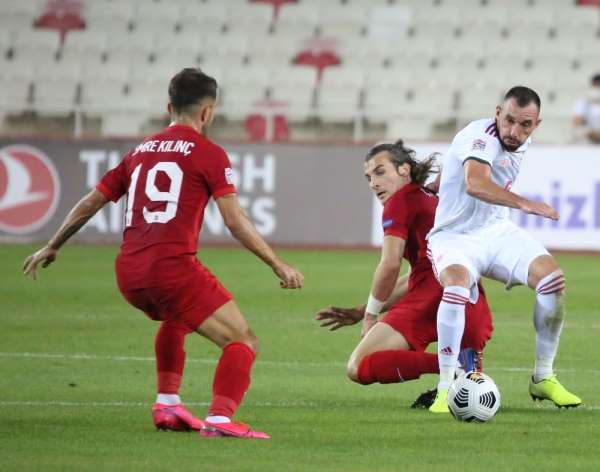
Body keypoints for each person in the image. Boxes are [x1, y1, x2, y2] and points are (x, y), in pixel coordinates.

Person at [22, 68, 304, 439]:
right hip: (171, 269)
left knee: (177, 319)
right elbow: (235, 221)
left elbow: (92, 201)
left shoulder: (139, 152)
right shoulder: (209, 153)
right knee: (242, 340)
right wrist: (277, 264)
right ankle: (220, 420)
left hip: (129, 273)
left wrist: (54, 243)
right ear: (208, 112)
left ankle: (168, 404)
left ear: (168, 106)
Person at [427, 86, 582, 413]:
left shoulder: (521, 140)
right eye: (509, 120)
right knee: (455, 286)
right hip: (454, 237)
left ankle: (543, 377)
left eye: (525, 124)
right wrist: (525, 203)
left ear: (536, 124)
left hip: (495, 231)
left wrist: (437, 183)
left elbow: (458, 165)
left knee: (552, 280)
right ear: (497, 112)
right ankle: (445, 389)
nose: (515, 131)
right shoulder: (480, 135)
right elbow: (475, 183)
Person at [315, 140, 493, 408]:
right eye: (368, 177)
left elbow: (390, 263)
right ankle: (463, 367)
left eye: (379, 172)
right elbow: (417, 277)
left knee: (359, 365)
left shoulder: (400, 202)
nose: (373, 183)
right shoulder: (430, 198)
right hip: (468, 298)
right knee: (464, 390)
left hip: (432, 296)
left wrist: (371, 317)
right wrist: (362, 310)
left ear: (404, 169)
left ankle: (452, 364)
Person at [573, 73, 600, 144]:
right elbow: (577, 123)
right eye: (596, 85)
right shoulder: (583, 103)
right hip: (588, 141)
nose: (598, 88)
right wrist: (592, 135)